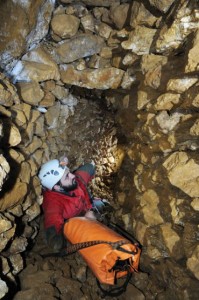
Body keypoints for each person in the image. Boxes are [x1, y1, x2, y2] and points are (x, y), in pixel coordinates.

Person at [38, 156, 109, 251]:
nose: (73, 176)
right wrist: (84, 222)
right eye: (67, 176)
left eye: (69, 172)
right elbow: (54, 243)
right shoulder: (53, 204)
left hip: (88, 206)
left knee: (105, 206)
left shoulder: (75, 181)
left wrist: (92, 165)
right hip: (79, 221)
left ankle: (97, 206)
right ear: (57, 187)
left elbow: (89, 168)